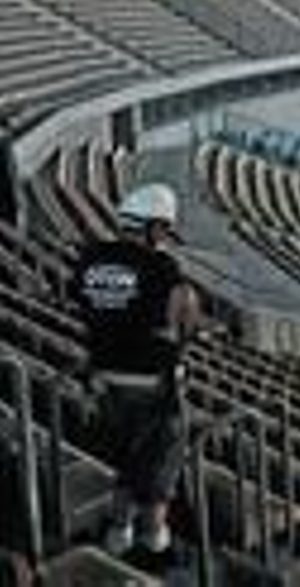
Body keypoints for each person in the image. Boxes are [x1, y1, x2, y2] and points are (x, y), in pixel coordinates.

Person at [70, 183, 200, 557]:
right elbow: (184, 316)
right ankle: (154, 538)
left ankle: (118, 529)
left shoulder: (89, 257)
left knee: (125, 459)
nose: (164, 240)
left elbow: (80, 301)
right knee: (162, 458)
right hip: (151, 385)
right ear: (155, 227)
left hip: (103, 381)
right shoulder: (161, 266)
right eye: (163, 232)